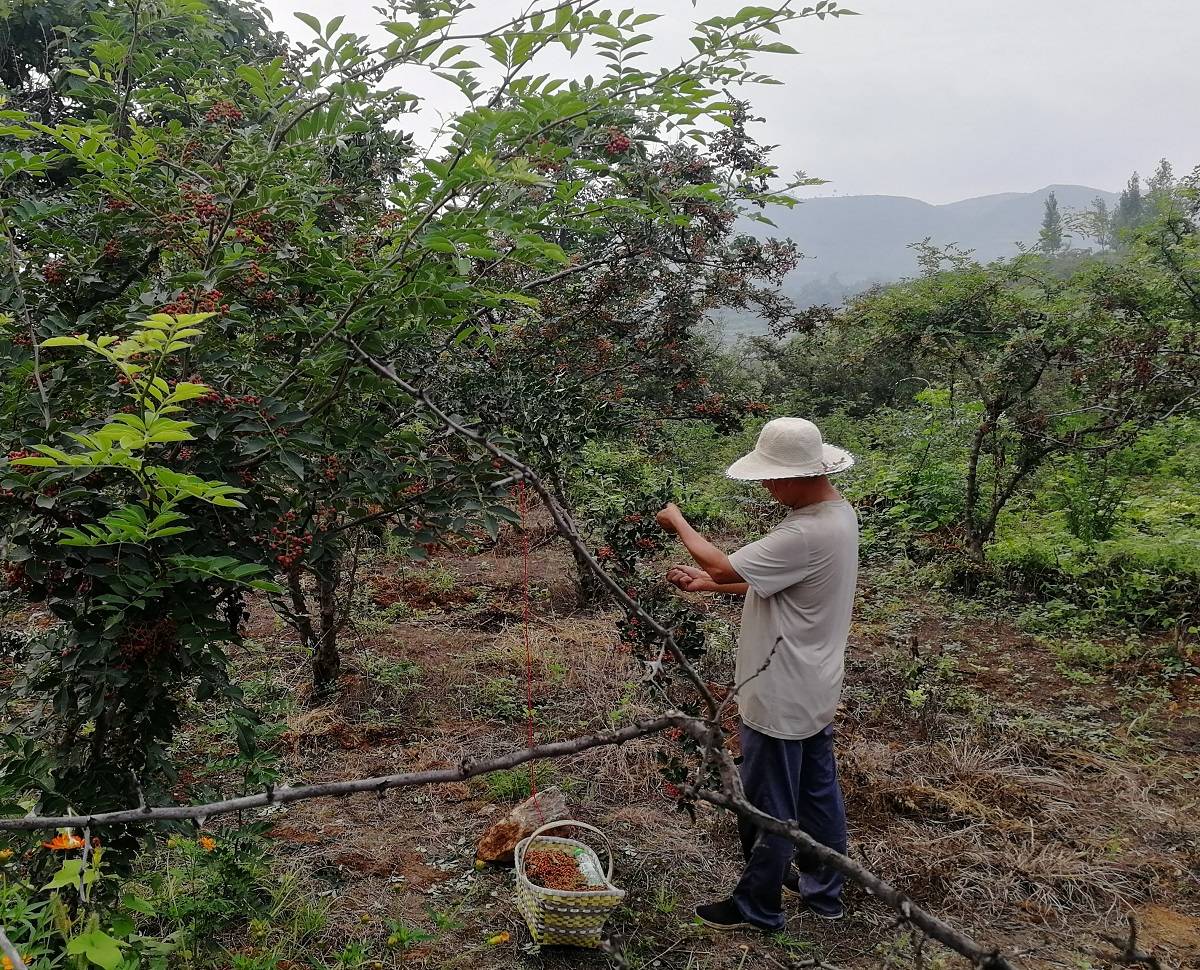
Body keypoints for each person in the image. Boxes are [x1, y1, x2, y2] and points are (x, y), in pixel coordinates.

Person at [655, 416, 858, 931]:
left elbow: (726, 566)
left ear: (801, 475)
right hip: (814, 684)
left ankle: (758, 905)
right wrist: (708, 587)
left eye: (771, 477)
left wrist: (677, 522)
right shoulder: (840, 517)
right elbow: (781, 586)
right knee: (818, 793)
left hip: (779, 688)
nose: (766, 486)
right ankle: (825, 891)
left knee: (767, 802)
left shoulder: (805, 532)